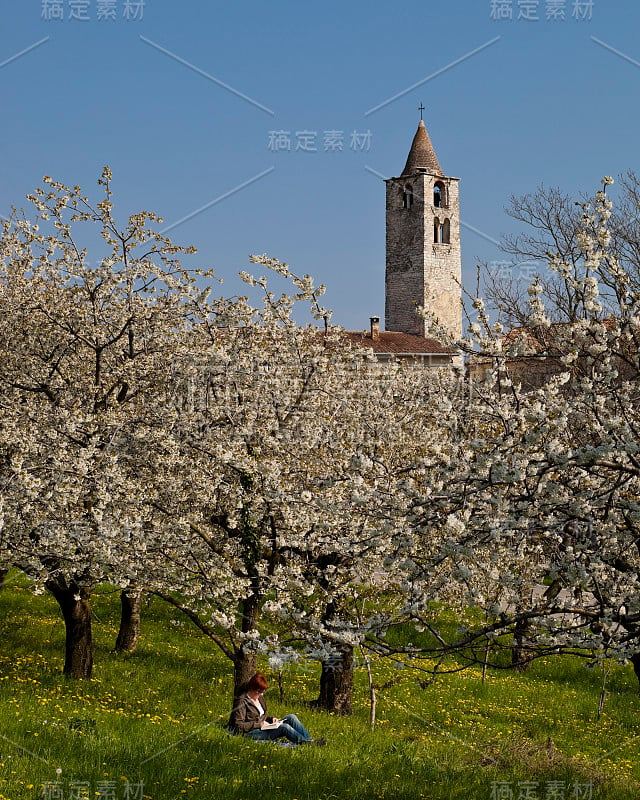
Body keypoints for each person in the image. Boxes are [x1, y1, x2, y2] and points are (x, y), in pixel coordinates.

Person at [228, 672, 326, 746]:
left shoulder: (260, 698)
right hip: (251, 733)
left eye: (263, 691)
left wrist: (271, 719)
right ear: (252, 688)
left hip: (265, 727)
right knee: (284, 727)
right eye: (259, 691)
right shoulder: (242, 701)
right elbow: (239, 725)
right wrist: (259, 724)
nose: (261, 694)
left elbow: (262, 716)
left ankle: (310, 740)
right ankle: (306, 743)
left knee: (291, 717)